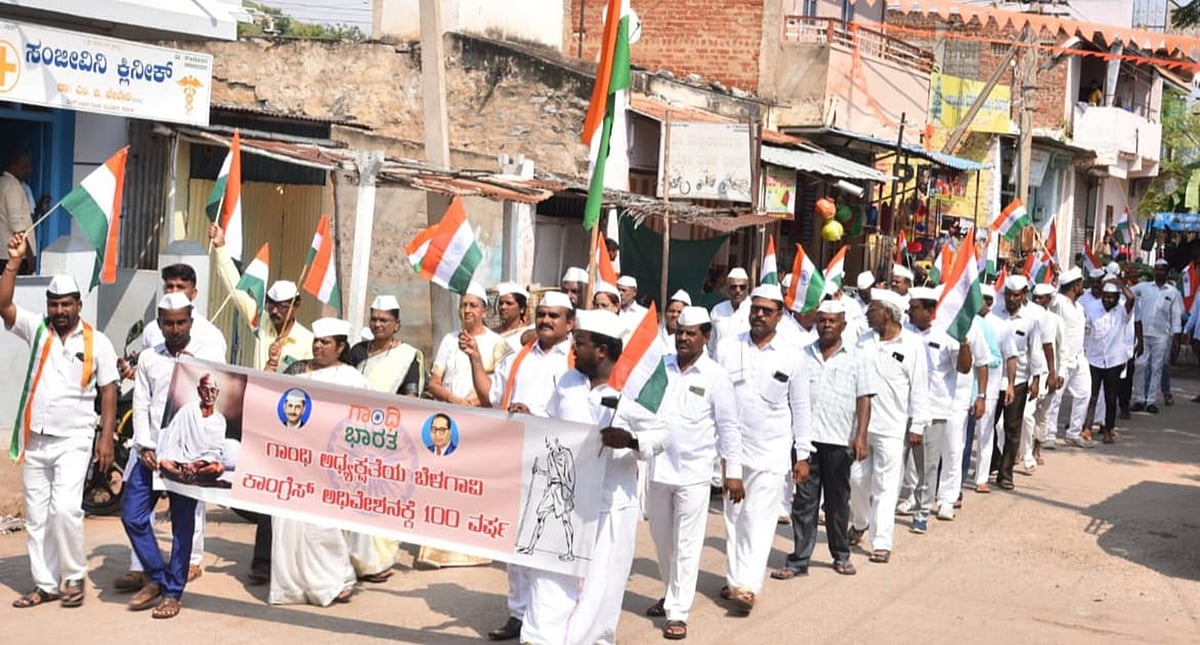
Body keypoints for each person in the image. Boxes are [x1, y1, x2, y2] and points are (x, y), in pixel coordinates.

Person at [521, 309, 668, 645]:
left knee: (600, 585)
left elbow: (663, 434)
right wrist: (530, 416)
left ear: (602, 350)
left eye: (580, 343)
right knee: (550, 573)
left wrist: (629, 440)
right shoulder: (568, 382)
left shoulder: (632, 390)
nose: (572, 349)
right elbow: (550, 418)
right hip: (565, 497)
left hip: (610, 504)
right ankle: (542, 638)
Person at [3, 233, 117, 610]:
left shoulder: (97, 341)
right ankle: (45, 584)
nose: (60, 310)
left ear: (79, 305)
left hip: (75, 439)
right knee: (36, 517)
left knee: (65, 509)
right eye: (54, 304)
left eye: (67, 304)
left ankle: (72, 574)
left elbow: (109, 391)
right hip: (36, 438)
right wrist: (15, 262)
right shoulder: (37, 330)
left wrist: (106, 440)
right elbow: (3, 303)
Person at [470, 291, 574, 642]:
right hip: (519, 457)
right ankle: (518, 612)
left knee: (551, 542)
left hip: (560, 463)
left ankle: (551, 619)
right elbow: (491, 398)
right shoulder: (519, 358)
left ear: (569, 323)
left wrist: (539, 418)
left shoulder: (576, 359)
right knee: (518, 541)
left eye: (553, 316)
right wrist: (473, 360)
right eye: (542, 314)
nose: (545, 321)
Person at [115, 262, 224, 591]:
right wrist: (145, 444)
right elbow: (144, 397)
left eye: (181, 322)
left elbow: (212, 391)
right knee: (133, 513)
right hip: (150, 442)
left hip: (187, 445)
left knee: (184, 518)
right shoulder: (151, 343)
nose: (175, 329)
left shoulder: (210, 342)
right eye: (168, 323)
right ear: (160, 323)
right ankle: (150, 572)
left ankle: (177, 582)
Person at [712, 284, 813, 614]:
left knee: (760, 517)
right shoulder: (727, 347)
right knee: (734, 516)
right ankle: (736, 578)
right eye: (755, 309)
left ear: (779, 316)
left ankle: (748, 586)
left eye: (766, 310)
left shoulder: (792, 353)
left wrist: (802, 454)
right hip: (732, 449)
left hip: (771, 449)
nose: (758, 315)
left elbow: (800, 406)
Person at [645, 306, 742, 639]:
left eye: (691, 333)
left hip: (695, 472)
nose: (683, 338)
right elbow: (643, 409)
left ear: (706, 336)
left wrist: (733, 472)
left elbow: (729, 428)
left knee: (687, 544)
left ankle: (678, 611)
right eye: (680, 332)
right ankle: (670, 591)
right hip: (658, 468)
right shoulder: (662, 368)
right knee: (660, 539)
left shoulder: (716, 377)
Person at [773, 299, 874, 579]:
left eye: (832, 321)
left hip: (840, 440)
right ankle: (799, 560)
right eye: (822, 320)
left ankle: (841, 554)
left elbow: (864, 398)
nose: (826, 325)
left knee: (837, 502)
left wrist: (861, 436)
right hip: (806, 441)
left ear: (843, 324)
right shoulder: (801, 355)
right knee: (804, 501)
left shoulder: (858, 356)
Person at [272, 318, 364, 606]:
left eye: (325, 342)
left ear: (340, 347)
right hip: (293, 460)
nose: (318, 346)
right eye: (316, 341)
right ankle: (293, 587)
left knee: (323, 526)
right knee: (287, 524)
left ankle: (337, 580)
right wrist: (271, 366)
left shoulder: (352, 378)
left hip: (329, 463)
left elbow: (364, 419)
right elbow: (271, 398)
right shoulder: (297, 370)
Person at [849, 289, 929, 564]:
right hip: (860, 427)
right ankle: (861, 522)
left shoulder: (913, 345)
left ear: (886, 313)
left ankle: (881, 542)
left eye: (872, 310)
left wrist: (917, 424)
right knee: (856, 479)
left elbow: (919, 388)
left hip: (893, 428)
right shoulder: (863, 341)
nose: (867, 315)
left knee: (885, 486)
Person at [901, 287, 970, 533]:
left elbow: (963, 368)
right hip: (900, 409)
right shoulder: (902, 333)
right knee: (894, 464)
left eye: (915, 308)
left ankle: (921, 512)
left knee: (927, 466)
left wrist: (963, 344)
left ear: (930, 311)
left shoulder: (946, 336)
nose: (909, 312)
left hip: (933, 410)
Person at [209, 224, 313, 373]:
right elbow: (236, 291)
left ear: (296, 305)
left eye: (282, 307)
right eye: (271, 305)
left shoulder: (308, 340)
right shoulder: (260, 321)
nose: (275, 311)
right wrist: (220, 247)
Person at [990, 275, 1046, 490]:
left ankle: (1006, 474)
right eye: (1008, 295)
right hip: (995, 379)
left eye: (1016, 295)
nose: (1011, 299)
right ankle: (994, 458)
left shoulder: (1031, 319)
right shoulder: (995, 315)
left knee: (1013, 428)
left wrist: (1036, 379)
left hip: (1020, 380)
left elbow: (1035, 350)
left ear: (1024, 295)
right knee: (988, 424)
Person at [428, 282, 505, 406]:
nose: (467, 310)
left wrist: (470, 404)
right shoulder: (449, 339)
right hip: (449, 412)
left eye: (473, 306)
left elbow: (501, 388)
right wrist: (454, 400)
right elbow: (433, 383)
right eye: (463, 305)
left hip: (481, 415)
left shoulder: (498, 342)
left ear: (484, 312)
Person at [1046, 268, 1094, 447]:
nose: (1083, 286)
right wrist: (1056, 278)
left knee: (1084, 393)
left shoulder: (1079, 307)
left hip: (1079, 357)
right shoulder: (1060, 302)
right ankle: (1048, 435)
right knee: (1055, 397)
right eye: (1081, 283)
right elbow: (1050, 295)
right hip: (1062, 359)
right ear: (1075, 286)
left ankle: (1074, 432)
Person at [1084, 280, 1136, 444]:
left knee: (1111, 398)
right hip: (1094, 359)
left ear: (1116, 297)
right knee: (1091, 396)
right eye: (1105, 297)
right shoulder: (1092, 309)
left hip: (1114, 361)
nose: (1107, 300)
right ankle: (1087, 427)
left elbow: (1131, 299)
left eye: (1111, 297)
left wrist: (1119, 283)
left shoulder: (1122, 311)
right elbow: (1086, 332)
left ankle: (1108, 429)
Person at [157, 374, 228, 486]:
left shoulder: (220, 420)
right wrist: (183, 464)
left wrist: (196, 465)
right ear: (199, 391)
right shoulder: (188, 410)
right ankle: (200, 482)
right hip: (180, 461)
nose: (209, 394)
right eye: (205, 390)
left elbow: (215, 452)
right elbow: (173, 437)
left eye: (213, 390)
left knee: (218, 468)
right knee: (164, 464)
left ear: (217, 393)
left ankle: (182, 478)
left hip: (201, 465)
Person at [1131, 259, 1182, 413]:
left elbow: (1176, 316)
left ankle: (1151, 401)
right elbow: (1128, 293)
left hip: (1162, 336)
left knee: (1156, 367)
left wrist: (1176, 338)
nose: (1158, 272)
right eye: (1156, 269)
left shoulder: (1173, 292)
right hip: (1143, 333)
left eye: (1162, 270)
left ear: (1167, 273)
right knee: (1140, 365)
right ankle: (1140, 399)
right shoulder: (1145, 287)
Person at [348, 295, 424, 397]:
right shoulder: (358, 350)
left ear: (397, 324)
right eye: (374, 319)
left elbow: (411, 395)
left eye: (383, 320)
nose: (377, 324)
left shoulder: (406, 355)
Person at [0, 151, 36, 274]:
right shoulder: (13, 186)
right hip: (13, 255)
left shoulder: (2, 183)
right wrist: (29, 255)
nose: (29, 170)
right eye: (25, 166)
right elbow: (17, 224)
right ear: (13, 166)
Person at [708, 267, 751, 352]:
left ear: (748, 288)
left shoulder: (754, 310)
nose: (738, 290)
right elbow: (711, 345)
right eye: (733, 287)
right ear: (727, 288)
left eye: (742, 287)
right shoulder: (717, 310)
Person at [493, 283, 532, 354]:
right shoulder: (493, 333)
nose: (503, 307)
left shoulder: (527, 334)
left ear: (522, 309)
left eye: (509, 303)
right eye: (501, 303)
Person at [658, 289, 691, 353]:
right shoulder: (654, 332)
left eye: (679, 312)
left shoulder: (692, 339)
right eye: (671, 311)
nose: (675, 315)